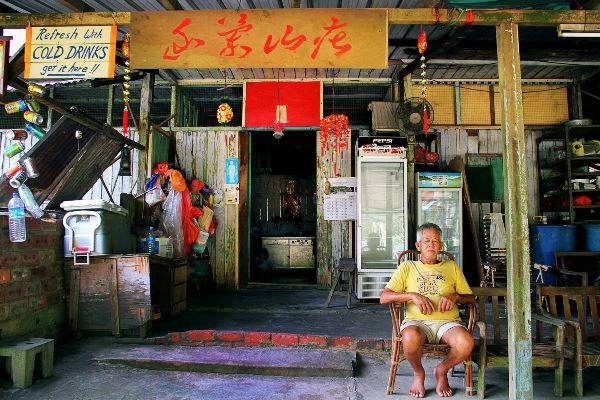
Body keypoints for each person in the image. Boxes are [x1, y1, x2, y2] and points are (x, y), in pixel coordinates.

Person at [380, 223, 475, 398]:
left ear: (440, 246)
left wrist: (455, 296)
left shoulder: (451, 267)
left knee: (466, 342)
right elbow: (384, 297)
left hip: (448, 323)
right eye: (426, 241)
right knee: (409, 337)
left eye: (435, 241)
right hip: (417, 322)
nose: (431, 244)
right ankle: (418, 373)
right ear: (418, 246)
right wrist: (412, 296)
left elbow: (471, 298)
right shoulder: (407, 267)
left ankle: (441, 370)